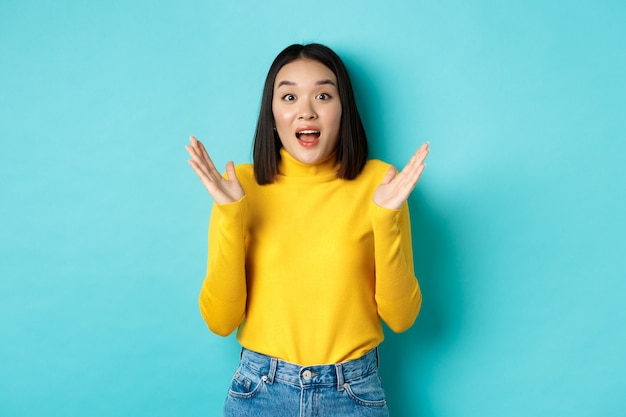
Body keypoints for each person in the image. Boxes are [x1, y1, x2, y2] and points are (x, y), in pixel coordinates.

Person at [186, 43, 429, 417]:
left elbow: (401, 318)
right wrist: (232, 216)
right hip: (260, 391)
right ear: (272, 113)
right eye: (288, 96)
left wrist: (385, 218)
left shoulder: (381, 184)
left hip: (353, 394)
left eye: (322, 95)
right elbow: (220, 322)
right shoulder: (240, 186)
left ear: (342, 109)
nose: (306, 111)